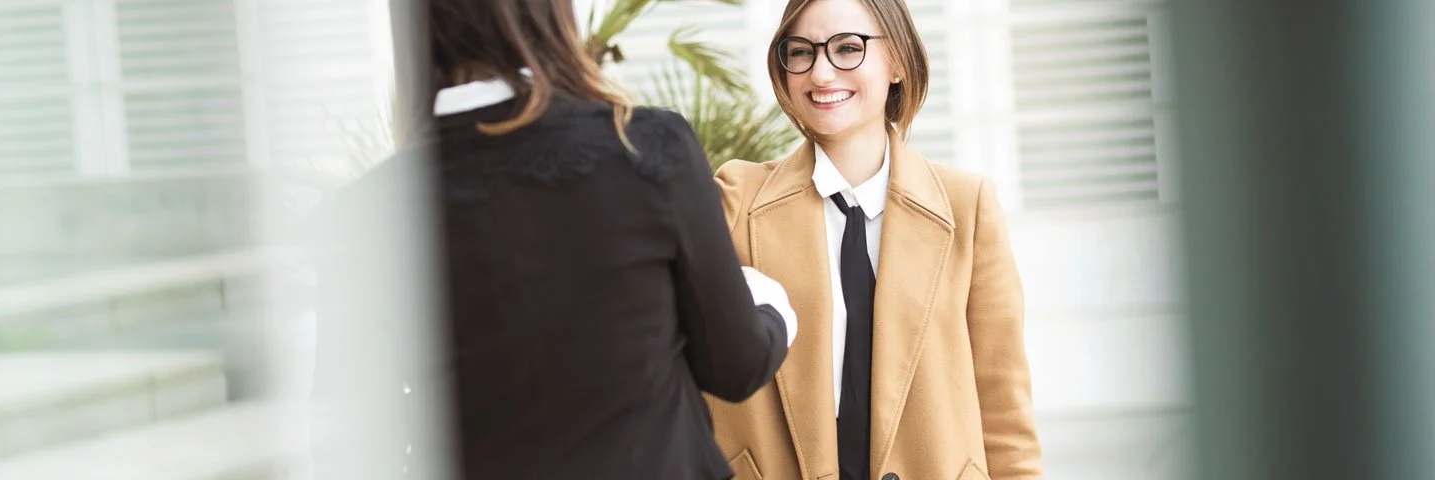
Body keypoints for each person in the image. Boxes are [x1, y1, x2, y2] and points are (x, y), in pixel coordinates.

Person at [315, 0, 799, 478]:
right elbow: (736, 365)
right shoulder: (644, 148)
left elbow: (344, 442)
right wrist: (766, 296)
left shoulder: (362, 212)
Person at [705, 0, 1044, 478]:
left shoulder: (968, 207)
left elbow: (1004, 408)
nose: (820, 73)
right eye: (800, 52)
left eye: (847, 48)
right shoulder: (738, 201)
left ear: (899, 62)